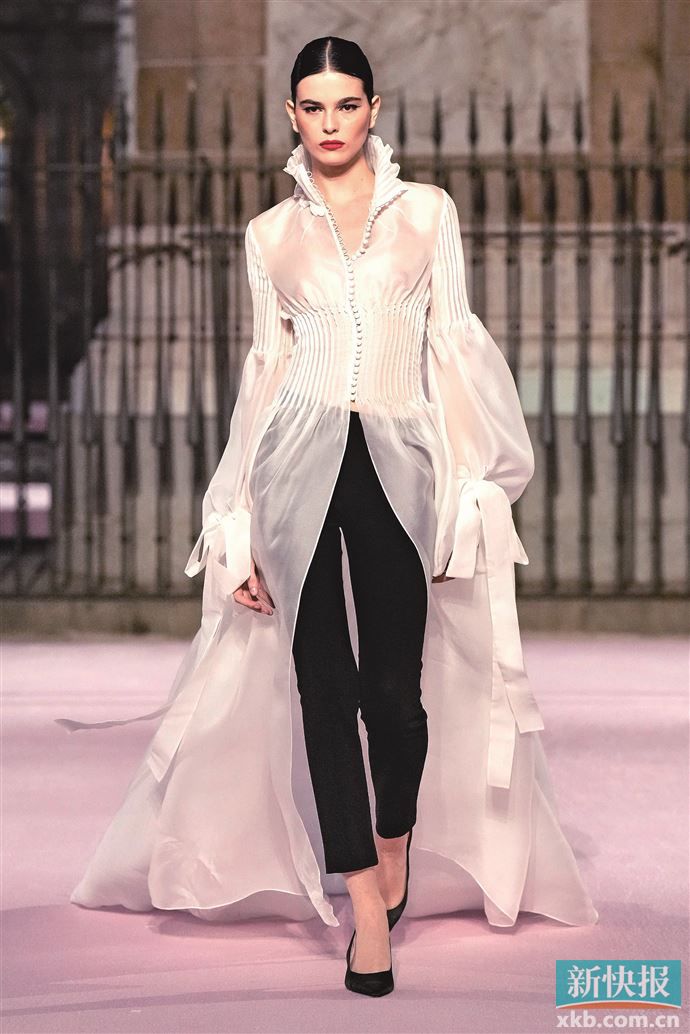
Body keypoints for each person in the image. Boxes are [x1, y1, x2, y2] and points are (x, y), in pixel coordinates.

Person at [58, 36, 599, 999]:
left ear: (374, 110)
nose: (332, 123)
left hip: (403, 462)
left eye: (348, 104)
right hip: (294, 468)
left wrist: (473, 483)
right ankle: (363, 907)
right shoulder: (270, 234)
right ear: (292, 116)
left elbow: (453, 348)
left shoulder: (428, 214)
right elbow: (263, 373)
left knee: (393, 690)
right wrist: (233, 517)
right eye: (314, 107)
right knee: (323, 687)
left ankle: (393, 840)